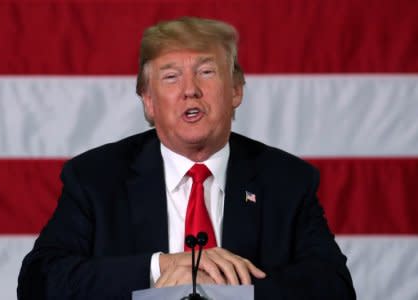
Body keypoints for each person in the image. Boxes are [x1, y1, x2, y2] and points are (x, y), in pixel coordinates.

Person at [17, 16, 355, 299]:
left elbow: (335, 288)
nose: (189, 89)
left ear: (236, 89)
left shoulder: (286, 180)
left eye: (206, 72)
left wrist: (231, 288)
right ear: (149, 101)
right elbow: (39, 282)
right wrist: (159, 268)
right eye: (170, 76)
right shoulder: (96, 178)